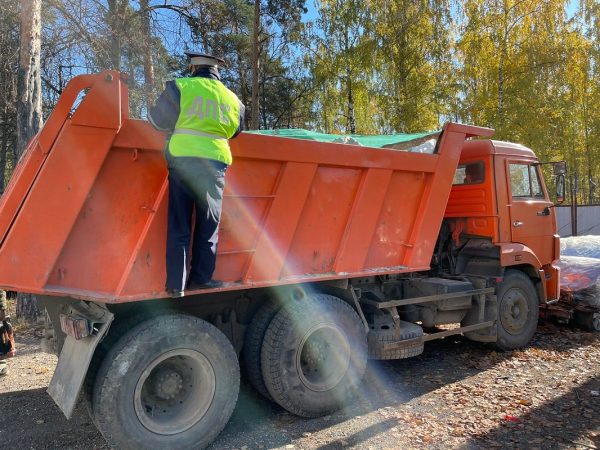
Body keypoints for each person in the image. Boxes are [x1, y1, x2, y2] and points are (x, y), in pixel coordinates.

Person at [148, 53, 245, 297]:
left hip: (183, 162)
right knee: (208, 226)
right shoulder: (233, 99)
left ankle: (176, 284)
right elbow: (236, 132)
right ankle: (201, 279)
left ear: (193, 67)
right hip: (215, 166)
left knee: (179, 224)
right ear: (217, 71)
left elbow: (156, 122)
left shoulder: (180, 86)